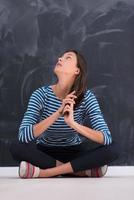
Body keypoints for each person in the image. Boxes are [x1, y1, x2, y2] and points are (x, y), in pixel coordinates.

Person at [10, 49, 119, 178]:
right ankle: (80, 171)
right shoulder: (40, 94)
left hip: (74, 151)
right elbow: (23, 136)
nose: (60, 59)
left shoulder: (87, 97)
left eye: (68, 58)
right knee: (16, 147)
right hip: (45, 151)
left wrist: (73, 124)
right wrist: (58, 113)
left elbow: (106, 138)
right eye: (60, 57)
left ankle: (45, 172)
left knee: (114, 149)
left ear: (77, 71)